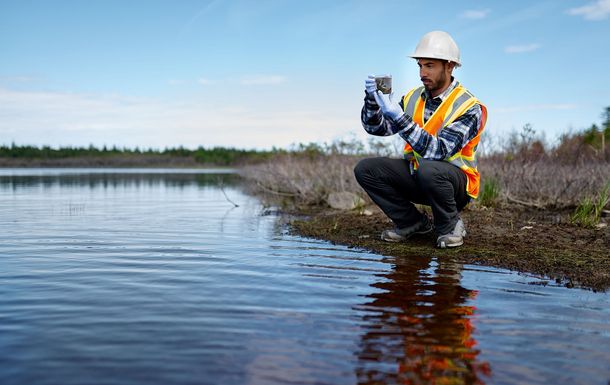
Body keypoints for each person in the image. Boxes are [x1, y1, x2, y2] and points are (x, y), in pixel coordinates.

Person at [354, 31, 487, 248]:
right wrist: (372, 101)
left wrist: (399, 117)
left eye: (430, 65)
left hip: (455, 186)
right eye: (420, 65)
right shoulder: (414, 97)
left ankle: (450, 226)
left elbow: (439, 150)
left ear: (450, 66)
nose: (422, 73)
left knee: (430, 168)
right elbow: (376, 128)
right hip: (419, 175)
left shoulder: (469, 106)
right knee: (366, 169)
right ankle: (412, 223)